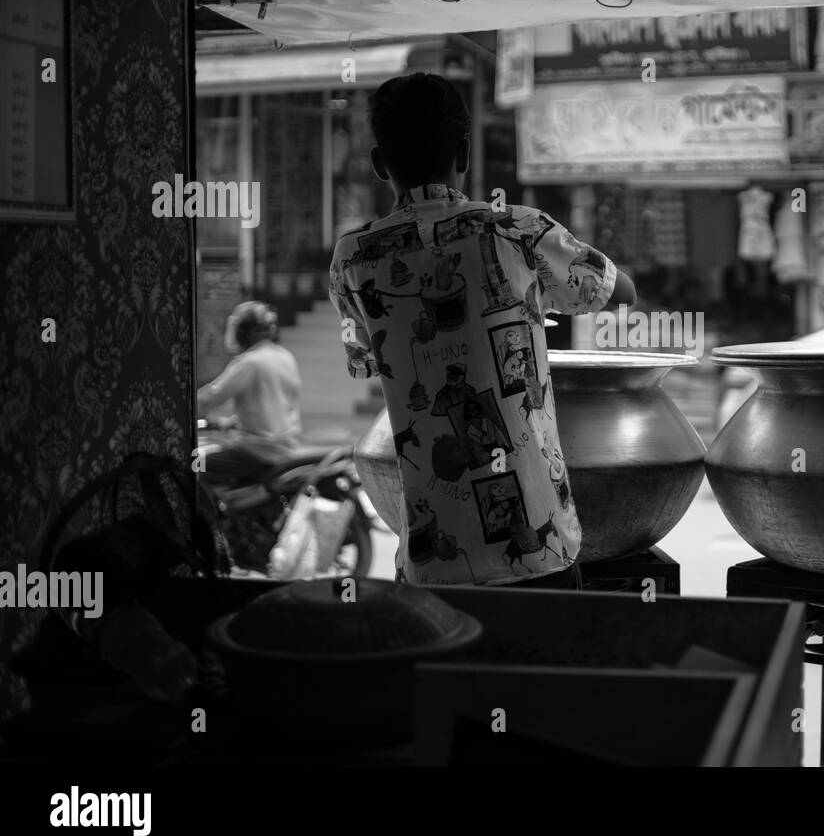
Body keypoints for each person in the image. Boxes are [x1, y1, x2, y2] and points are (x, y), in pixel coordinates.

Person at [329, 72, 635, 588]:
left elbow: (365, 357)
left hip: (433, 563)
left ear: (381, 164)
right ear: (464, 153)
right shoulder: (517, 229)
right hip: (539, 545)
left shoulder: (352, 257)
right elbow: (618, 291)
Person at [197, 301, 303, 483]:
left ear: (243, 332)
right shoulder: (285, 357)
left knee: (194, 463)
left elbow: (208, 399)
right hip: (286, 449)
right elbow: (276, 404)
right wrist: (231, 423)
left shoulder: (249, 362)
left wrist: (181, 404)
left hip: (257, 452)